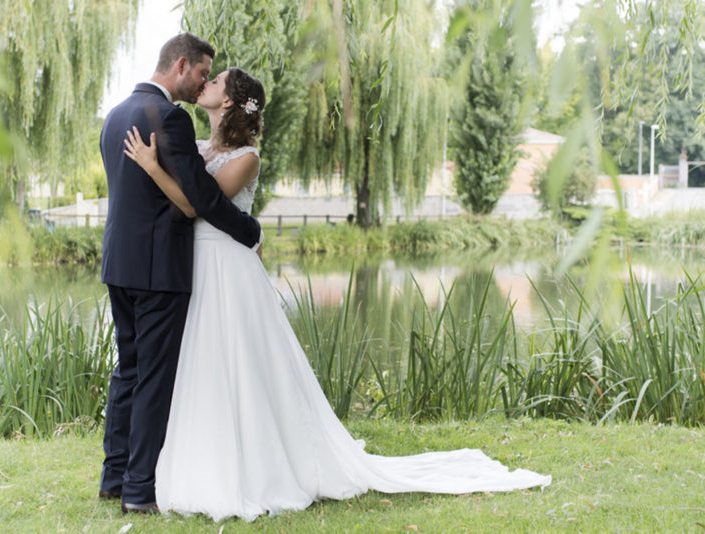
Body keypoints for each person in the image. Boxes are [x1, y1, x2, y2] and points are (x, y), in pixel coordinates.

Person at [123, 67, 551, 522]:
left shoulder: (247, 156)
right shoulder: (200, 147)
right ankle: (201, 461)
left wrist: (154, 168)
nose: (204, 86)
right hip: (199, 267)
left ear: (227, 102)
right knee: (204, 364)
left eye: (215, 82)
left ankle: (254, 465)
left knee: (240, 362)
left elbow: (202, 205)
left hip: (228, 268)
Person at [98, 34, 262, 514]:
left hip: (119, 263)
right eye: (202, 72)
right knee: (152, 378)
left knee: (127, 369)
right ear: (182, 65)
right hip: (158, 269)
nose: (202, 83)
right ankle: (137, 491)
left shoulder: (115, 115)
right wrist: (251, 232)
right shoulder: (170, 117)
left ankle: (113, 477)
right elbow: (202, 201)